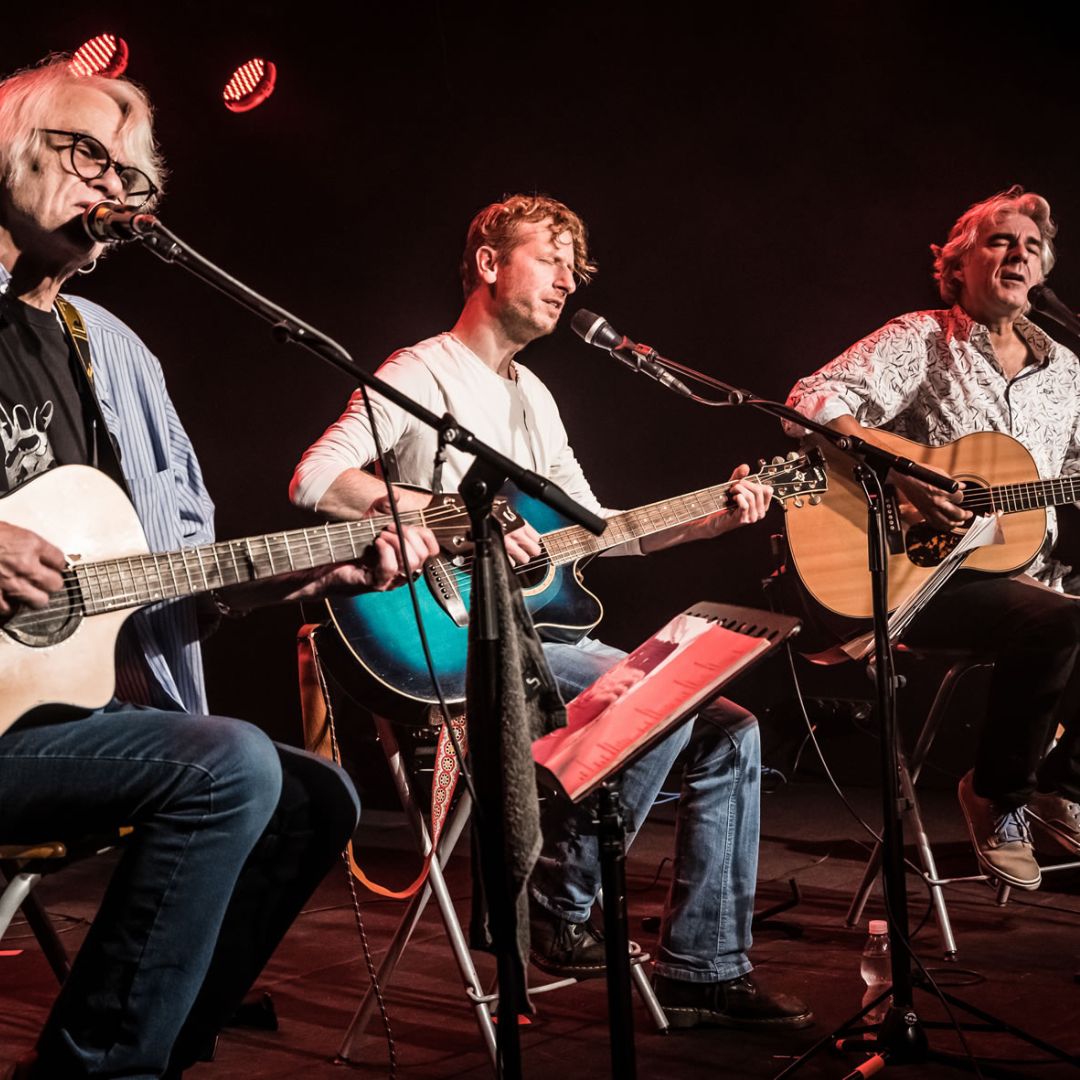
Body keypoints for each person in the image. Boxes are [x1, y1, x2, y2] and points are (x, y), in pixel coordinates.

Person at [0, 58, 438, 1079]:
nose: (113, 187)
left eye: (131, 176)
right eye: (85, 153)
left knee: (310, 798)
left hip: (63, 722)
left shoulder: (113, 357)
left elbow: (163, 579)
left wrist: (313, 573)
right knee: (228, 762)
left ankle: (148, 1049)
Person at [291, 193, 813, 1030]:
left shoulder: (534, 393)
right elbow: (317, 479)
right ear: (490, 264)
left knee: (732, 725)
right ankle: (562, 904)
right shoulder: (422, 370)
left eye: (578, 266)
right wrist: (454, 515)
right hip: (447, 636)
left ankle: (704, 963)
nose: (569, 279)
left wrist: (717, 514)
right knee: (664, 696)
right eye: (552, 257)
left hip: (538, 640)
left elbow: (601, 532)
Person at [786, 185, 1080, 891]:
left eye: (1031, 247)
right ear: (959, 264)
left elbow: (1070, 470)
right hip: (925, 574)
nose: (1018, 253)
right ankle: (998, 794)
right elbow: (809, 401)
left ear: (1042, 275)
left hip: (1028, 576)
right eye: (999, 241)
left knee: (1060, 616)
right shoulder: (920, 338)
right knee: (1062, 622)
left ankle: (1056, 780)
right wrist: (907, 477)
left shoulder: (1067, 372)